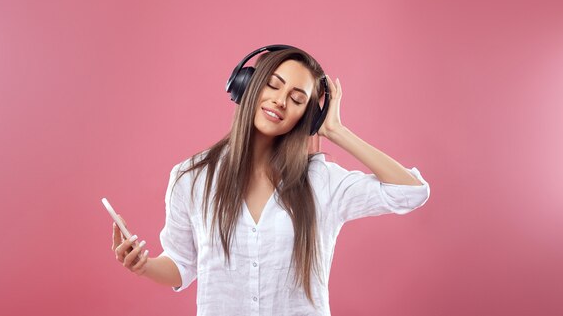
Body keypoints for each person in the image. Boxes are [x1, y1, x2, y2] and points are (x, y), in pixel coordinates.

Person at [111, 45, 431, 315]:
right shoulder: (191, 179)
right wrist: (144, 265)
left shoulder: (321, 182)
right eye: (274, 85)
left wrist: (336, 131)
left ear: (307, 118)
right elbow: (181, 264)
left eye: (296, 99)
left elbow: (411, 193)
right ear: (247, 85)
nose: (279, 101)